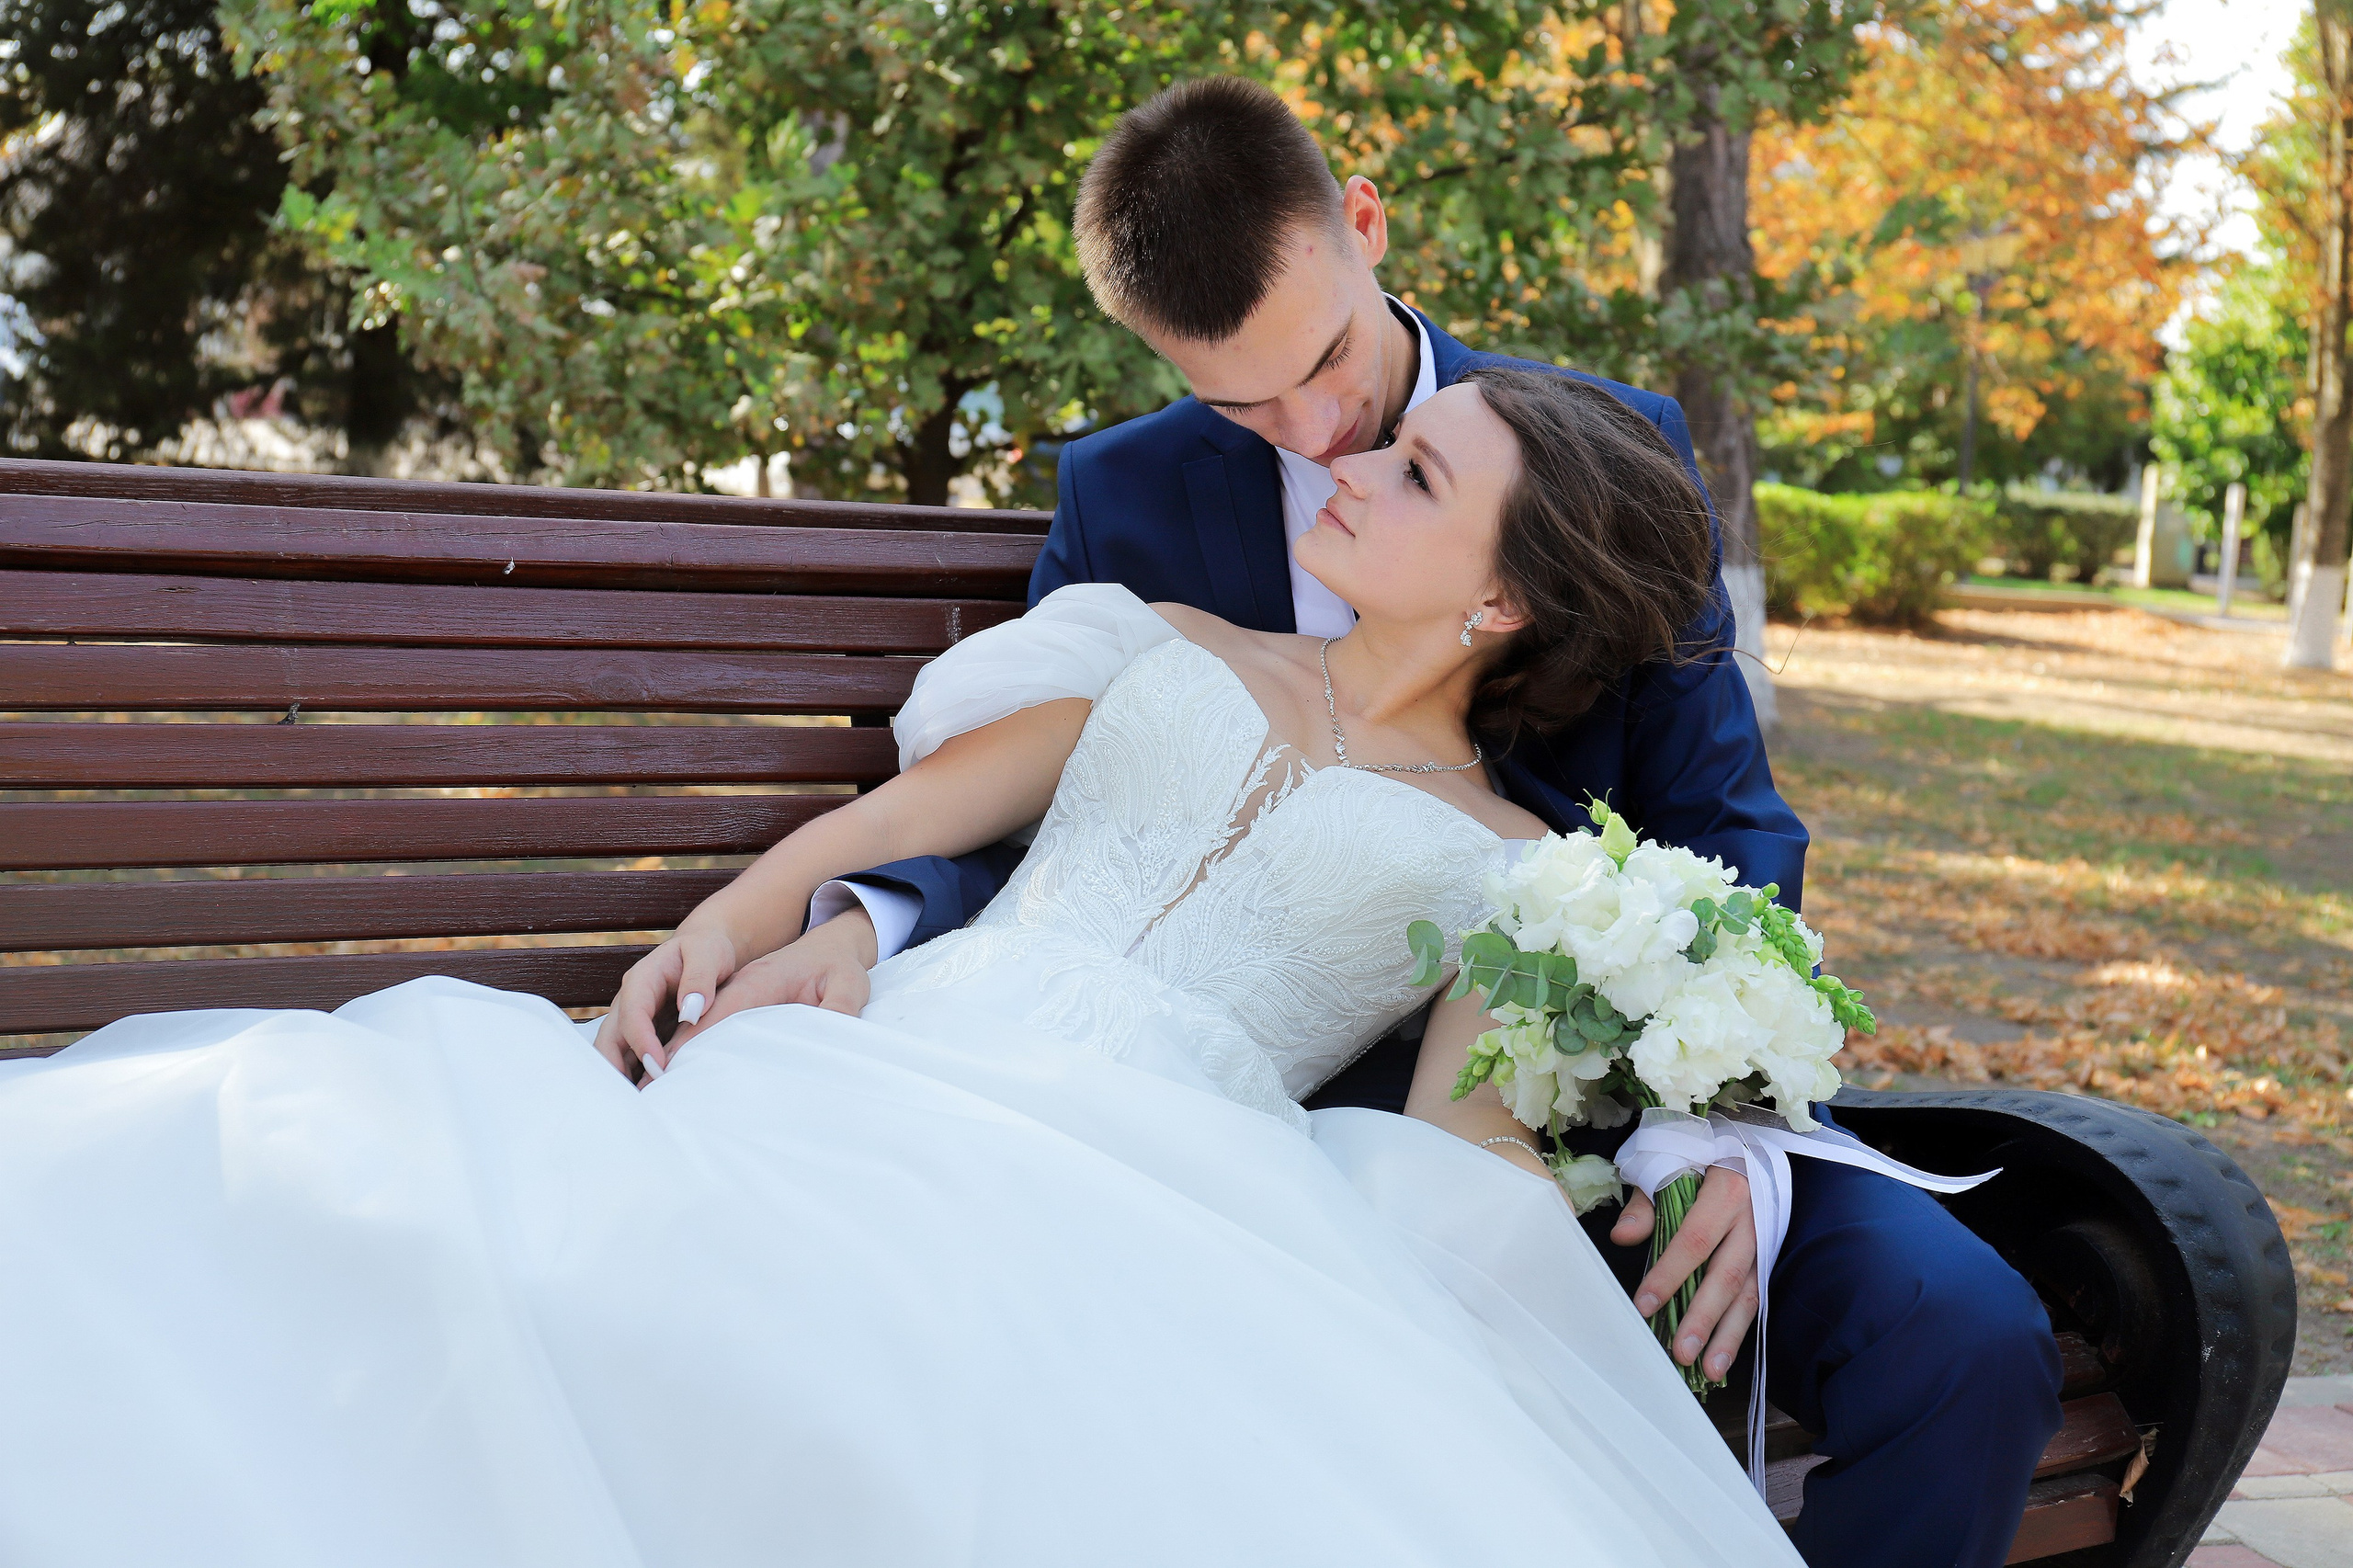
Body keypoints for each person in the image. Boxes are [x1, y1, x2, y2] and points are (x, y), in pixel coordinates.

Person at [3, 369, 1800, 1566]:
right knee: (525, 1224)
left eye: (1412, 475)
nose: (1342, 461)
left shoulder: (1519, 866)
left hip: (1187, 1179)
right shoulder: (1158, 642)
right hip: (911, 1050)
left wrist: (1678, 1150)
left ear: (1500, 605)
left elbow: (1455, 1167)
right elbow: (900, 816)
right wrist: (742, 913)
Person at [734, 78, 2062, 1568]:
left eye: (1323, 362)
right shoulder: (1127, 497)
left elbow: (1724, 820)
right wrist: (869, 915)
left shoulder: (1605, 449)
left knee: (1964, 1337)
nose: (1312, 430)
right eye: (1240, 402)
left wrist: (1717, 1119)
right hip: (1265, 1122)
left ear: (1364, 224)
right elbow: (1055, 782)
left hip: (1622, 1085)